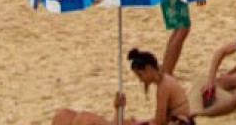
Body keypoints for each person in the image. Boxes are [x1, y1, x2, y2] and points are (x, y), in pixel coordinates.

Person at [54, 47, 191, 125]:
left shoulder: (163, 87)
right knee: (65, 116)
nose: (141, 81)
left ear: (148, 69)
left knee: (84, 120)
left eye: (140, 76)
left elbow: (160, 122)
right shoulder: (165, 81)